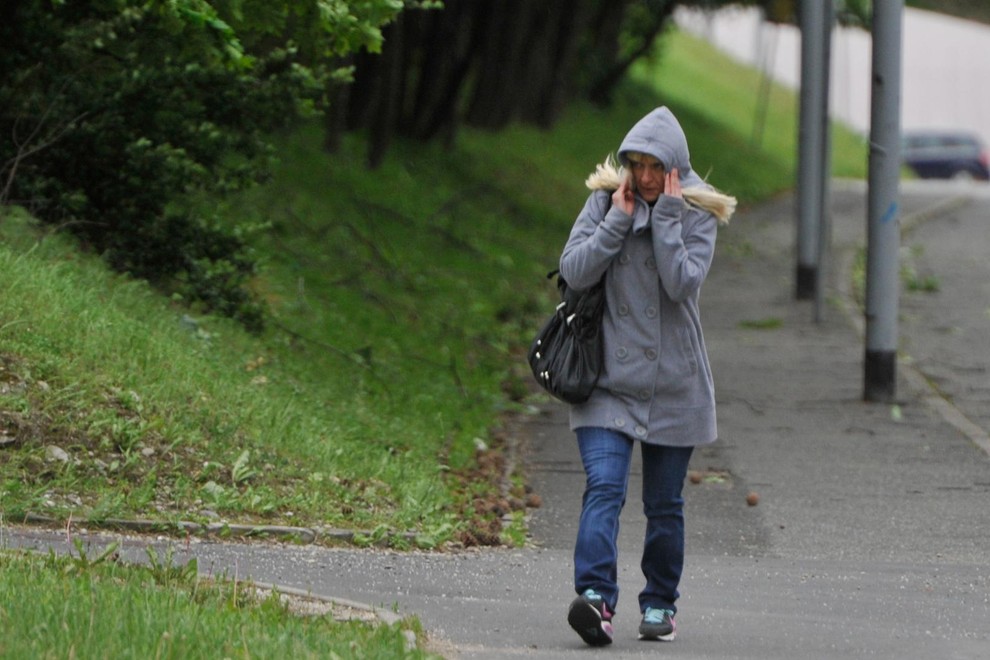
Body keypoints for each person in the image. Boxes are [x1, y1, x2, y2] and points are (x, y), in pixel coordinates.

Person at [558, 106, 735, 645]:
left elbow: (682, 284)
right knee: (604, 486)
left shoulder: (698, 213)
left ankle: (660, 603)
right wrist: (616, 221)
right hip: (607, 378)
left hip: (673, 385)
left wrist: (666, 221)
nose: (646, 176)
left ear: (675, 168)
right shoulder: (604, 202)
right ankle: (594, 600)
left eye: (656, 166)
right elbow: (573, 270)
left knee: (664, 506)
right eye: (637, 164)